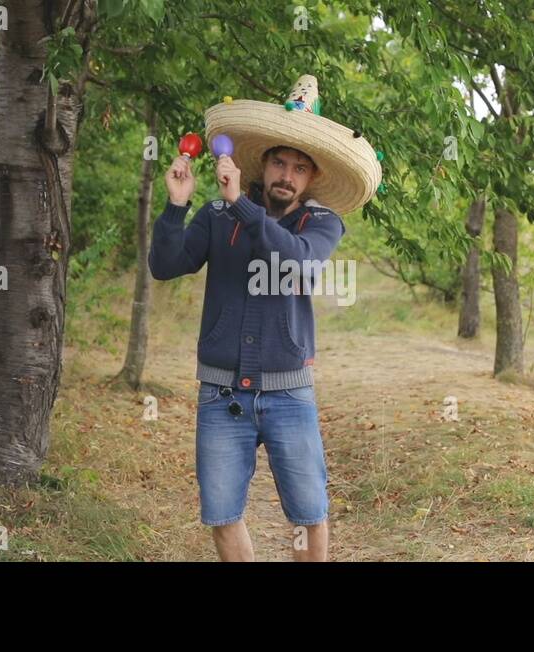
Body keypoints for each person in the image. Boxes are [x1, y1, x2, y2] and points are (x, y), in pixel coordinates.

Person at [149, 74, 381, 561]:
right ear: (264, 162)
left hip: (289, 392)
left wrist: (243, 206)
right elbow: (166, 266)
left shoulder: (320, 222)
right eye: (280, 161)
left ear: (311, 177)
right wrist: (176, 206)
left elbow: (297, 263)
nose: (287, 175)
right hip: (221, 392)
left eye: (300, 168)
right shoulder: (216, 213)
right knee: (223, 513)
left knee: (309, 513)